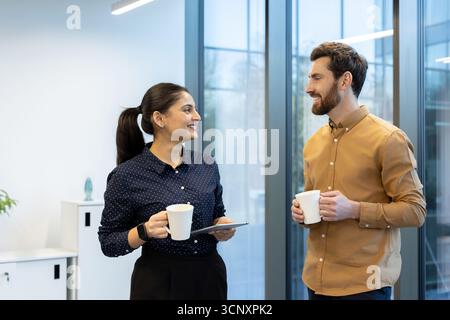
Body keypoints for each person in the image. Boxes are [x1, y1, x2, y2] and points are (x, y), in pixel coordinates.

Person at [291, 42, 426, 300]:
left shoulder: (389, 139)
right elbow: (314, 207)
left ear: (345, 81)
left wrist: (353, 209)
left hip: (365, 288)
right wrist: (301, 213)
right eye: (309, 78)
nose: (309, 88)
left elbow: (415, 211)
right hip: (315, 283)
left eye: (317, 78)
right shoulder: (313, 144)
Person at [98, 82, 235, 300]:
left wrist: (223, 227)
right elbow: (109, 243)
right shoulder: (126, 175)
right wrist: (145, 231)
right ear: (159, 119)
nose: (197, 116)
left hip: (210, 278)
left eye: (195, 109)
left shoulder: (207, 165)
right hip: (158, 284)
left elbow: (217, 214)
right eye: (187, 109)